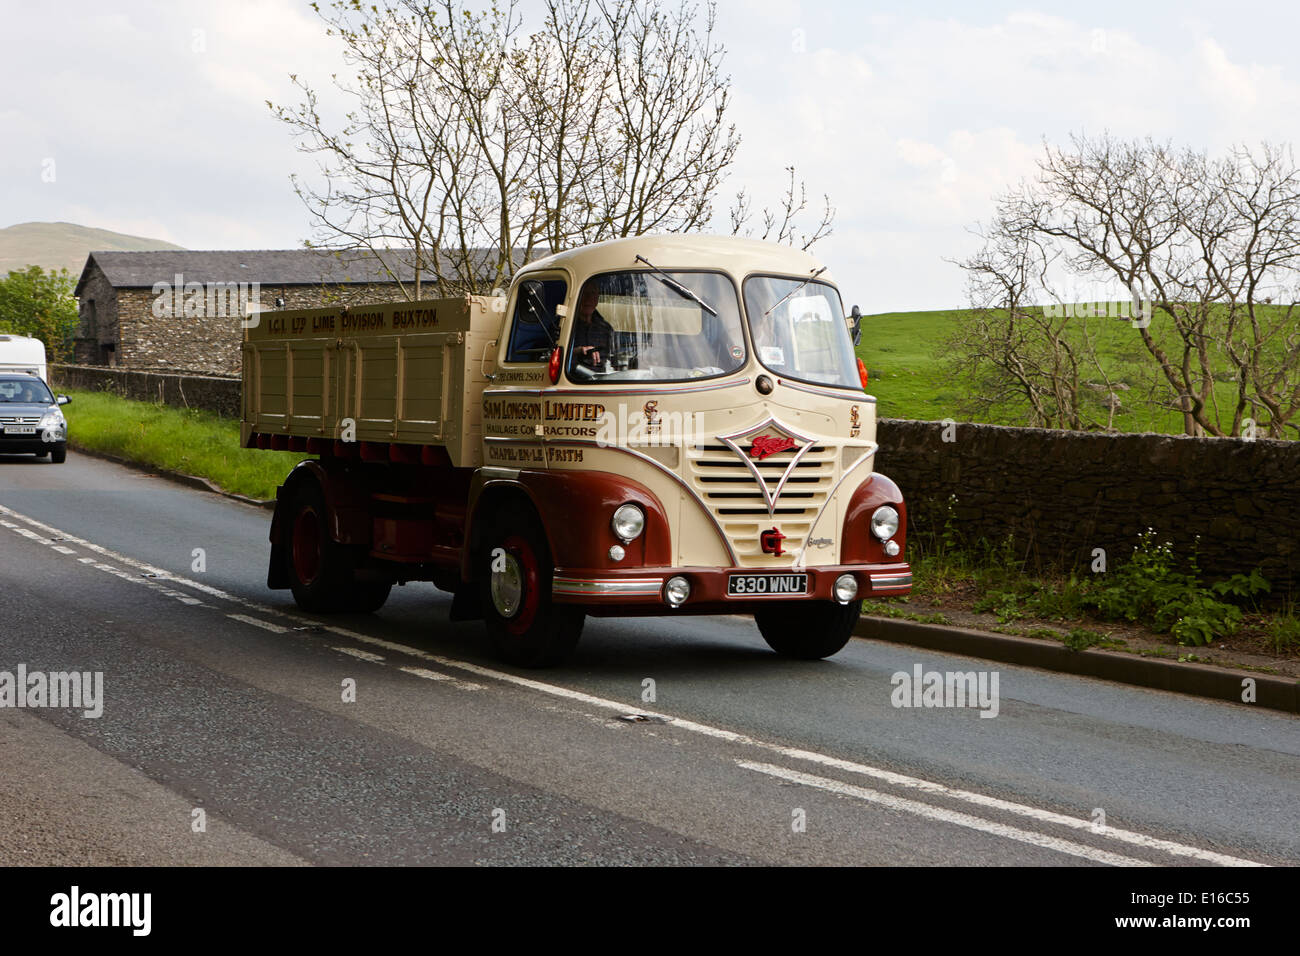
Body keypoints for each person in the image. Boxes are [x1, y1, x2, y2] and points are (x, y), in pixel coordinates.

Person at [571, 279, 615, 370]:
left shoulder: (605, 329)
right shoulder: (563, 326)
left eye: (593, 293)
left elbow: (615, 358)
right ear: (577, 297)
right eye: (585, 293)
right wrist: (578, 351)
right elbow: (552, 355)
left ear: (597, 298)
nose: (589, 298)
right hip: (574, 379)